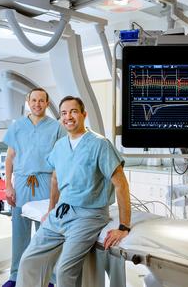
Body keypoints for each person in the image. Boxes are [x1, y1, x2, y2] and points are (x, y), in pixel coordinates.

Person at [16, 96, 131, 287]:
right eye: (63, 113)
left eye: (73, 111)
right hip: (61, 213)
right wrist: (51, 209)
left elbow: (121, 184)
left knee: (65, 270)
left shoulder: (99, 144)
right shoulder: (60, 145)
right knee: (29, 260)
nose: (68, 116)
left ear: (84, 114)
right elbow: (55, 178)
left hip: (89, 215)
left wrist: (124, 227)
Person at [2, 88, 66, 287]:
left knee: (47, 233)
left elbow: (63, 158)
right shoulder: (17, 126)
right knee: (19, 233)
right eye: (34, 100)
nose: (37, 104)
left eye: (41, 100)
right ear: (28, 101)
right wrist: (8, 186)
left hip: (46, 182)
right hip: (21, 182)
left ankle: (50, 279)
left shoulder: (56, 127)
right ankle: (15, 276)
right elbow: (10, 157)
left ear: (47, 103)